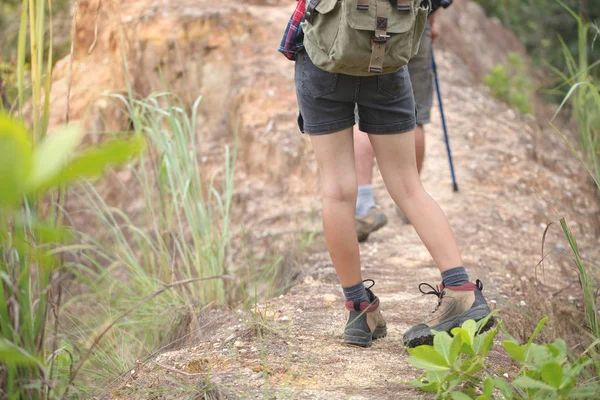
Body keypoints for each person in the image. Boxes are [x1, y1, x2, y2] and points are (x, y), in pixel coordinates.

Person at [279, 0, 492, 349]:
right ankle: (460, 291)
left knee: (337, 191)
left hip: (323, 57)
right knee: (408, 186)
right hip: (387, 55)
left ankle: (360, 311)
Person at [354, 11, 436, 242]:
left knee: (360, 112)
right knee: (416, 113)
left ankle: (363, 204)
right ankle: (410, 202)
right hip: (414, 22)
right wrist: (433, 18)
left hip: (361, 23)